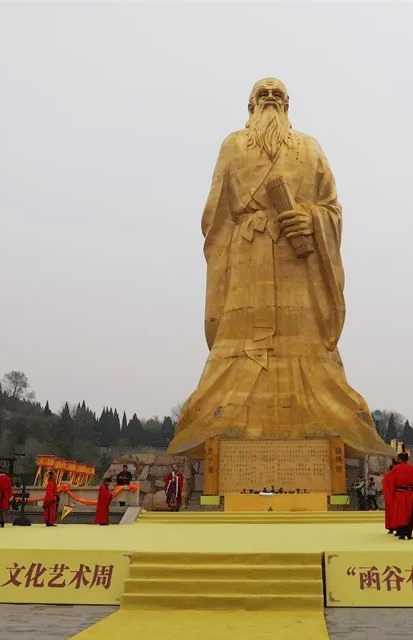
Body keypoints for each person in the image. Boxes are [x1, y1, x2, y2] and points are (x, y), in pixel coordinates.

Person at [166, 78, 394, 460]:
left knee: (304, 341)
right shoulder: (233, 145)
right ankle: (224, 414)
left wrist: (311, 219)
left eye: (277, 95)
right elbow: (216, 214)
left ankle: (320, 413)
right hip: (248, 257)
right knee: (241, 344)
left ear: (287, 105)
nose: (270, 99)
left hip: (296, 260)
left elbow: (331, 206)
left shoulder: (309, 148)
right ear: (251, 105)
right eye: (263, 94)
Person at [385, 452, 413, 539]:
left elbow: (391, 483)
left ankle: (402, 533)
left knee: (401, 514)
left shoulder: (395, 469)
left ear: (399, 459)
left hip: (399, 494)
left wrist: (391, 496)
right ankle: (409, 534)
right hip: (410, 493)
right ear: (407, 459)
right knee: (410, 513)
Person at [381, 462, 396, 535]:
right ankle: (398, 528)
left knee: (389, 514)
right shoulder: (397, 476)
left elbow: (384, 487)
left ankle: (391, 528)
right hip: (396, 497)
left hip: (388, 497)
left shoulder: (386, 476)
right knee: (397, 514)